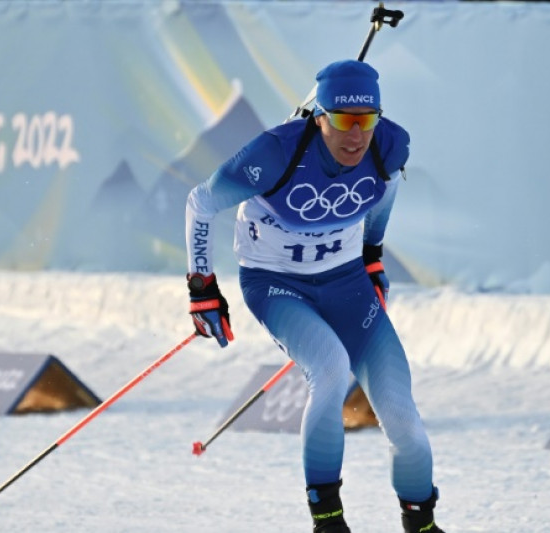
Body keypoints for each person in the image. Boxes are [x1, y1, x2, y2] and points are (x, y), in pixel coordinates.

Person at [184, 59, 445, 533]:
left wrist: (372, 255)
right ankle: (328, 521)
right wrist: (202, 289)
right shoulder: (274, 153)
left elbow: (384, 188)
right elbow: (201, 203)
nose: (356, 135)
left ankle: (422, 523)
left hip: (347, 284)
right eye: (343, 120)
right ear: (319, 117)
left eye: (367, 119)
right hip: (277, 285)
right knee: (330, 370)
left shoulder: (389, 144)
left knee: (402, 416)